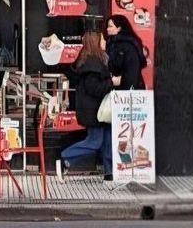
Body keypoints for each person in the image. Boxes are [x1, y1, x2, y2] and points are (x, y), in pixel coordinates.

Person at [61, 31, 114, 181]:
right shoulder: (94, 64)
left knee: (107, 141)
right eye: (102, 39)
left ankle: (109, 172)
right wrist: (112, 82)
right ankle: (65, 156)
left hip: (97, 109)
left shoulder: (88, 60)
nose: (105, 42)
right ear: (95, 42)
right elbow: (94, 89)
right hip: (95, 110)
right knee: (95, 141)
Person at [105, 14, 146, 91]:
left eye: (110, 26)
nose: (107, 29)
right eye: (107, 26)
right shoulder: (110, 43)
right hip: (117, 88)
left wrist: (123, 81)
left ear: (119, 28)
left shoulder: (128, 45)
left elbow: (132, 71)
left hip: (128, 90)